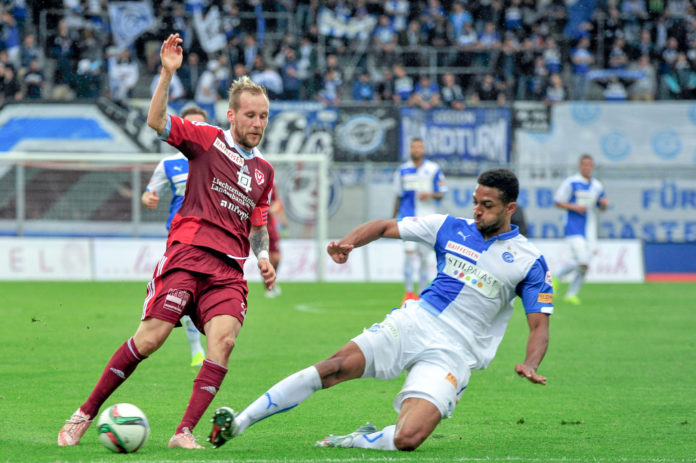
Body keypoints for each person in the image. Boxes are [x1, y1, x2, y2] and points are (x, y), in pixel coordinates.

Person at [208, 168, 553, 451]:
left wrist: (530, 363)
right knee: (333, 367)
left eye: (487, 205)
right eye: (476, 202)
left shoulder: (529, 261)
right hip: (415, 322)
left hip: (455, 353)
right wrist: (349, 243)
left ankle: (358, 439)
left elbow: (539, 325)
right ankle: (238, 422)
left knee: (408, 438)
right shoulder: (449, 227)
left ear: (510, 208)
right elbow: (385, 226)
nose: (477, 210)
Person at [57, 33, 276, 450]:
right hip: (188, 256)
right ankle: (84, 413)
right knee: (150, 339)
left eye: (264, 116)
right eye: (250, 115)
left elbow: (258, 222)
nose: (258, 123)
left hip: (229, 271)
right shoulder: (206, 139)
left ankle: (183, 432)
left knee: (224, 342)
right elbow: (157, 121)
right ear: (232, 115)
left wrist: (263, 255)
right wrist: (166, 73)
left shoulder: (265, 171)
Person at [141, 105, 209, 367]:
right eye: (191, 124)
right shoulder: (168, 164)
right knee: (185, 290)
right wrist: (148, 198)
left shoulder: (217, 159)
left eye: (200, 125)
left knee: (203, 293)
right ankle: (197, 350)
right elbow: (149, 192)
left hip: (212, 236)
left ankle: (205, 346)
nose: (196, 129)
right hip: (180, 237)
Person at [392, 138, 447, 303]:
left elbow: (442, 192)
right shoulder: (402, 170)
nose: (416, 149)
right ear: (410, 149)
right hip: (407, 219)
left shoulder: (433, 169)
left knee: (424, 257)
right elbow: (398, 195)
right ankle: (408, 292)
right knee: (408, 254)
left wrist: (430, 194)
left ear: (423, 149)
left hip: (426, 220)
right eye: (413, 147)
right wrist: (393, 218)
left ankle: (422, 292)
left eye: (419, 147)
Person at [553, 154, 609, 305]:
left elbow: (602, 206)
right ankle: (556, 278)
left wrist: (604, 204)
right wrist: (574, 207)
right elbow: (557, 201)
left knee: (585, 264)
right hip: (573, 226)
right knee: (582, 260)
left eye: (589, 165)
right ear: (579, 166)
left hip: (590, 228)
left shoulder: (597, 186)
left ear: (593, 167)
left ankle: (571, 294)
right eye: (584, 164)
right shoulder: (571, 182)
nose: (586, 167)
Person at [264, 183, 287, 298]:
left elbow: (277, 203)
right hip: (259, 226)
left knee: (277, 258)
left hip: (271, 227)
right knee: (266, 258)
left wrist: (283, 222)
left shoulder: (271, 185)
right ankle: (269, 286)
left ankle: (272, 282)